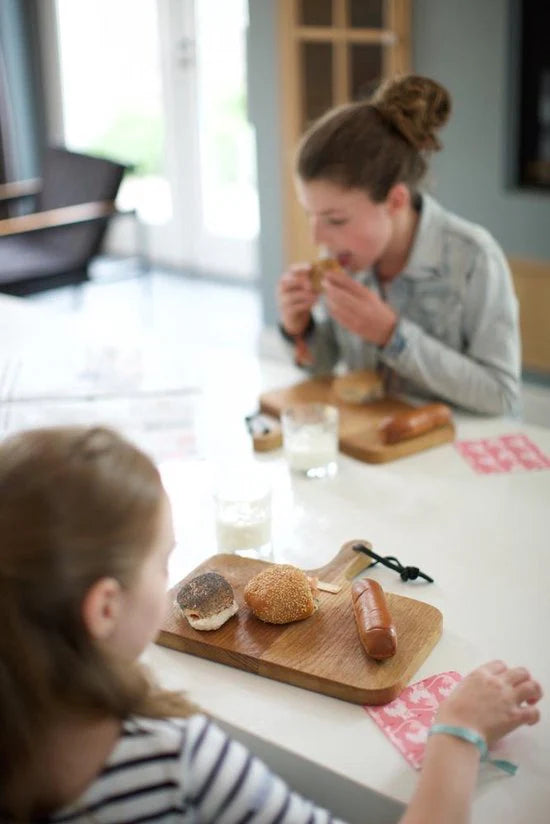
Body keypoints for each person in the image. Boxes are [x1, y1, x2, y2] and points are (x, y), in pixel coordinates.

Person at [0, 425, 541, 823]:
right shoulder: (176, 760)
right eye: (163, 560)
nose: (175, 574)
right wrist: (456, 737)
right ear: (105, 609)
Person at [277, 75, 521, 416]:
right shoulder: (343, 256)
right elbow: (323, 367)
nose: (318, 238)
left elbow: (501, 397)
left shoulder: (474, 258)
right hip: (373, 451)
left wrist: (392, 336)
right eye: (310, 216)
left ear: (395, 201)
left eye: (335, 219)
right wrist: (299, 328)